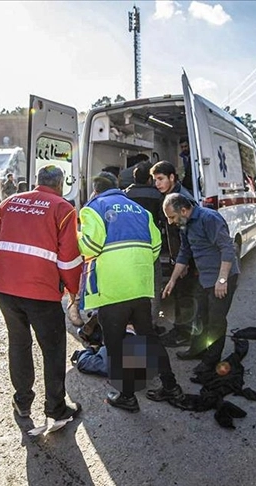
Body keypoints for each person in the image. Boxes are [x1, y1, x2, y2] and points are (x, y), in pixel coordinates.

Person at [79, 171, 183, 413]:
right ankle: (171, 386)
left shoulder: (93, 208)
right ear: (117, 187)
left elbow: (90, 247)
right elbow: (156, 246)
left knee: (114, 345)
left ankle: (126, 396)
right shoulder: (139, 210)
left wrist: (77, 237)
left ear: (96, 190)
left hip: (114, 289)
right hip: (140, 287)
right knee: (149, 338)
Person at [0, 165, 83, 423]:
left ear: (36, 181)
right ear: (60, 184)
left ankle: (22, 402)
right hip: (41, 291)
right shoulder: (63, 209)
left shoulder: (8, 203)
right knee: (52, 349)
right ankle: (55, 407)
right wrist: (73, 291)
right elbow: (69, 260)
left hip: (6, 289)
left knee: (18, 343)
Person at [162, 193, 240, 371]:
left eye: (172, 217)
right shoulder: (184, 224)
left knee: (216, 320)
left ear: (183, 210)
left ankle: (211, 360)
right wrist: (172, 280)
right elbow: (184, 252)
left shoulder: (208, 218)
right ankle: (197, 350)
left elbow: (227, 249)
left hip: (222, 277)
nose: (171, 222)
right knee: (200, 316)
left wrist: (222, 280)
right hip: (205, 278)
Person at [150, 161, 197, 347]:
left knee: (185, 295)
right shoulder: (170, 195)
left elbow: (188, 235)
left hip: (185, 257)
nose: (157, 184)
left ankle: (185, 334)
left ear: (172, 177)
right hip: (177, 255)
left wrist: (184, 261)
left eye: (160, 179)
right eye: (155, 180)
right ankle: (180, 330)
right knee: (180, 294)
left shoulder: (182, 199)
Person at [124, 161, 166, 328]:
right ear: (150, 179)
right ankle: (152, 324)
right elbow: (164, 221)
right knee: (154, 286)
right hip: (150, 247)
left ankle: (131, 322)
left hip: (128, 248)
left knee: (132, 285)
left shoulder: (125, 195)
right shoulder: (157, 196)